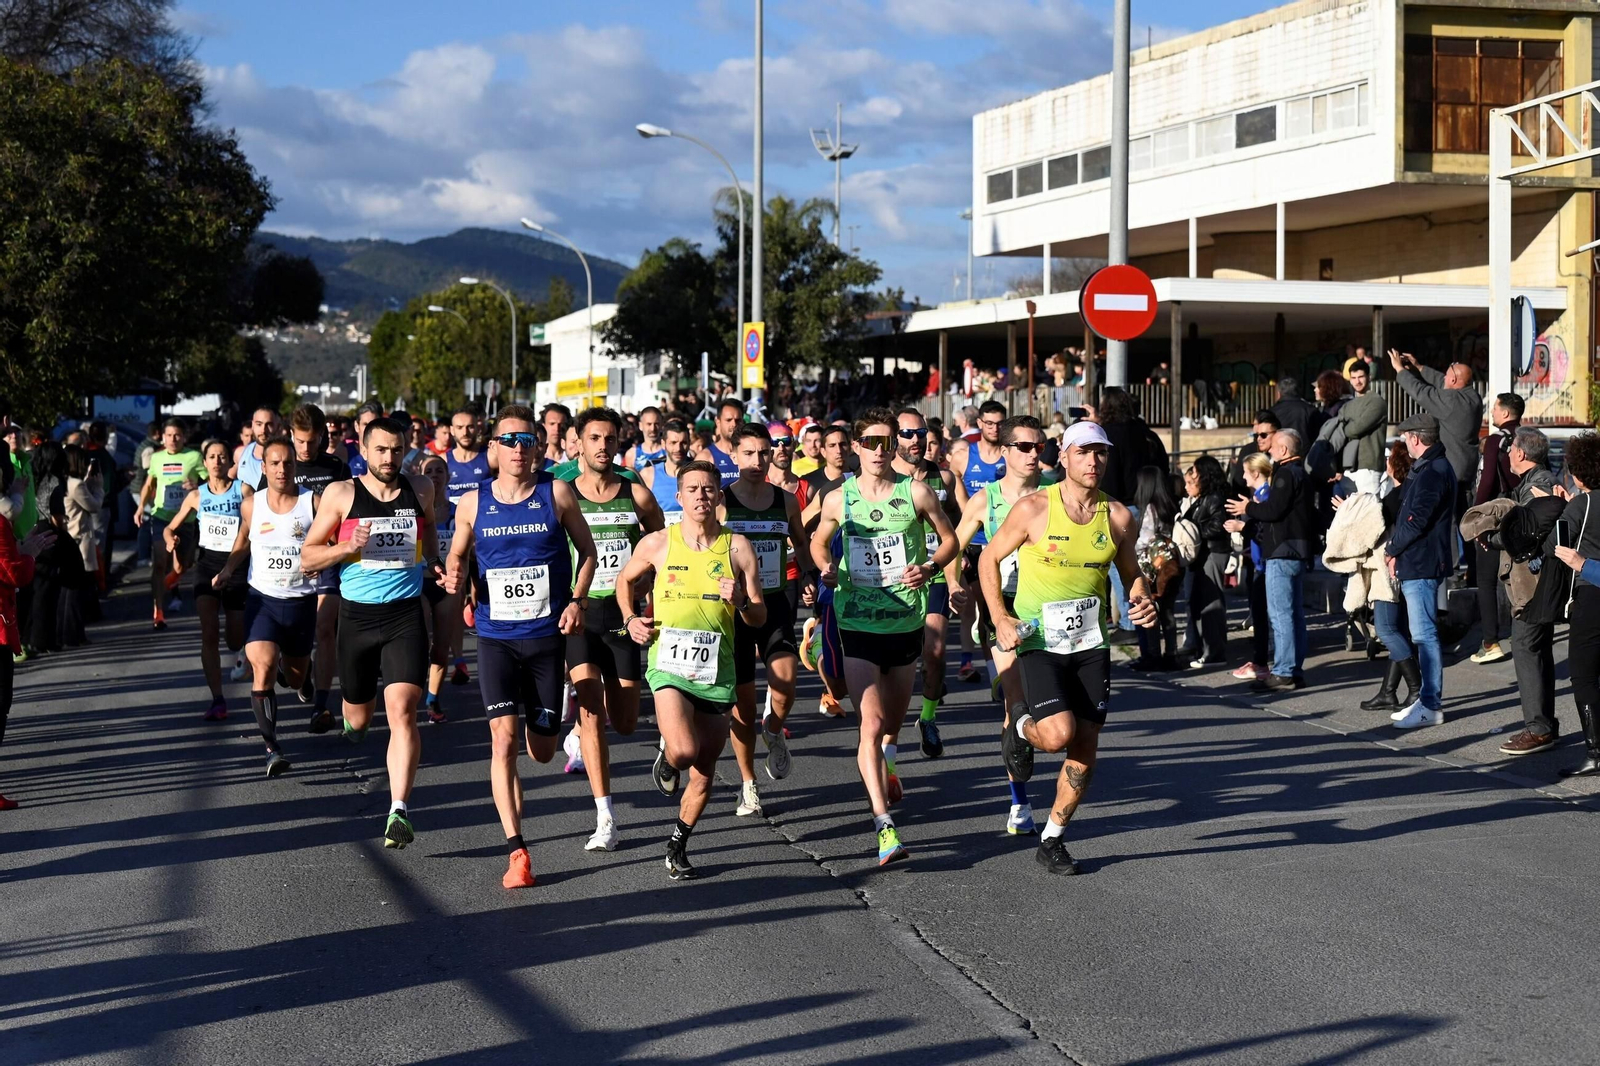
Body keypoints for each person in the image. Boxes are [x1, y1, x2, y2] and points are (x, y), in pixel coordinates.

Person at [983, 420, 1157, 875]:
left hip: (1091, 644)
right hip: (1040, 641)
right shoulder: (1034, 508)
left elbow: (1131, 572)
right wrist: (1000, 617)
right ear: (1063, 457)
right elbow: (988, 558)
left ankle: (1053, 838)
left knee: (1085, 744)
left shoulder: (1117, 516)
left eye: (1100, 452)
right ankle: (1021, 726)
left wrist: (1142, 596)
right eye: (1083, 452)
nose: (1093, 461)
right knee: (1058, 735)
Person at [444, 405, 598, 887]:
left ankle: (550, 727)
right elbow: (457, 552)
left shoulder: (557, 493)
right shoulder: (473, 502)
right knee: (502, 740)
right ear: (493, 448)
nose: (517, 448)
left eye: (526, 440)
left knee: (542, 751)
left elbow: (588, 552)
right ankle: (517, 850)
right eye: (508, 440)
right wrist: (454, 573)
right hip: (496, 638)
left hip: (546, 637)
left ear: (537, 447)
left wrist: (577, 601)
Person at [811, 407, 959, 866]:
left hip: (904, 621)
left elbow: (950, 539)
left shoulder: (916, 492)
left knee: (891, 725)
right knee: (871, 725)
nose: (879, 451)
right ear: (856, 447)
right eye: (871, 443)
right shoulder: (839, 498)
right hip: (856, 621)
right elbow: (817, 540)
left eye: (887, 442)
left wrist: (930, 568)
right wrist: (825, 565)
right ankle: (884, 825)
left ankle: (889, 763)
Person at [617, 460, 765, 880]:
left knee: (703, 772)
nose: (701, 495)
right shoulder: (658, 543)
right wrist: (630, 619)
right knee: (684, 751)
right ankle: (668, 754)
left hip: (716, 670)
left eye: (708, 488)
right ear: (679, 497)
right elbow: (624, 581)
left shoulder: (738, 547)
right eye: (693, 489)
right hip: (668, 665)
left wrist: (741, 601)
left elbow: (758, 615)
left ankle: (677, 844)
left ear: (719, 496)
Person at [302, 417, 441, 848]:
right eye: (380, 450)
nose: (389, 458)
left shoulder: (421, 488)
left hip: (404, 616)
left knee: (403, 710)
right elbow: (308, 557)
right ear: (363, 450)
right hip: (357, 619)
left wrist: (436, 563)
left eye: (396, 450)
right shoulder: (341, 494)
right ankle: (354, 724)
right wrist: (347, 547)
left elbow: (429, 530)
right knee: (359, 718)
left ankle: (398, 810)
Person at [562, 407, 666, 848]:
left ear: (618, 442)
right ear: (579, 443)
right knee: (590, 712)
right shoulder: (564, 494)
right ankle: (605, 817)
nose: (603, 446)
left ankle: (584, 734)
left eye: (609, 439)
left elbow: (661, 543)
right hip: (582, 616)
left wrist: (646, 581)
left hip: (622, 616)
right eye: (594, 438)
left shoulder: (635, 494)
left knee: (624, 722)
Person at [951, 414, 1048, 834]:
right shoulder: (985, 499)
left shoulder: (1054, 494)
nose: (1033, 454)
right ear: (1005, 451)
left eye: (1039, 447)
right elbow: (954, 545)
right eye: (1024, 447)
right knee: (1016, 704)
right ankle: (1019, 802)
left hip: (1046, 607)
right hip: (1002, 606)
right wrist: (953, 582)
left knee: (1051, 707)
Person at [721, 423, 816, 816]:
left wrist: (808, 575)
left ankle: (773, 730)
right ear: (733, 455)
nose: (757, 461)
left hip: (774, 602)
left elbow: (801, 543)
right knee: (743, 706)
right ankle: (748, 784)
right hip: (734, 610)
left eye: (763, 452)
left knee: (786, 685)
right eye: (748, 453)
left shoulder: (786, 500)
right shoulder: (722, 502)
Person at [232, 436, 319, 777]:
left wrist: (322, 561)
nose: (282, 469)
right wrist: (227, 569)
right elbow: (244, 539)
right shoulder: (251, 505)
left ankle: (301, 670)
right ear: (264, 468)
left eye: (288, 463)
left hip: (301, 602)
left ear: (296, 466)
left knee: (294, 680)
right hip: (262, 599)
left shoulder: (312, 503)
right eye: (275, 463)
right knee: (263, 666)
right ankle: (272, 748)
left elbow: (331, 540)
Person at [274, 404, 353, 730]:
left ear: (322, 436)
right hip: (290, 558)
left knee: (324, 628)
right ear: (291, 435)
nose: (306, 448)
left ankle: (320, 705)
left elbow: (350, 511)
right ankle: (300, 669)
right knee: (294, 630)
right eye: (300, 441)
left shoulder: (336, 467)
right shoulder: (282, 465)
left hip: (328, 557)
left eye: (312, 441)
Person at [163, 440, 250, 721]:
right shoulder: (196, 496)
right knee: (209, 632)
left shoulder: (243, 491)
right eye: (211, 457)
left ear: (230, 462)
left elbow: (255, 528)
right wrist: (170, 540)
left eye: (222, 456)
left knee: (234, 639)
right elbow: (170, 527)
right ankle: (218, 699)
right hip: (207, 566)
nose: (217, 461)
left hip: (237, 567)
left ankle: (243, 653)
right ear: (205, 462)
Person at [892, 408, 960, 760]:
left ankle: (928, 719)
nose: (916, 440)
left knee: (934, 651)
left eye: (920, 433)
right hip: (891, 581)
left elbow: (957, 533)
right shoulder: (880, 478)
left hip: (932, 573)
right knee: (893, 663)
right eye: (907, 434)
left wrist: (955, 577)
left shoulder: (944, 479)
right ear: (894, 438)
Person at [1226, 427, 1316, 691]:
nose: (1269, 449)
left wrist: (1248, 508)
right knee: (1294, 615)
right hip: (1298, 551)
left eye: (1274, 445)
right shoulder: (1303, 474)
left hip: (1281, 552)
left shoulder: (1285, 474)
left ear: (1284, 450)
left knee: (1281, 615)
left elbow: (1274, 510)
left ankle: (1284, 671)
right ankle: (1293, 670)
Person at [1382, 412, 1457, 730]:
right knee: (1422, 633)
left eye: (1405, 438)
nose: (1404, 443)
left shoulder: (1433, 470)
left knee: (1424, 635)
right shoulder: (1429, 467)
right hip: (1419, 559)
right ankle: (1426, 699)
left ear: (1415, 438)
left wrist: (1391, 549)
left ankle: (1430, 704)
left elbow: (1415, 521)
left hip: (1422, 561)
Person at [1495, 427, 1562, 754]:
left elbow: (1528, 529)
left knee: (1526, 647)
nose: (1508, 454)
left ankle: (1538, 729)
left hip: (1534, 584)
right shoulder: (1533, 481)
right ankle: (1544, 725)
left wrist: (1494, 537)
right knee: (1536, 649)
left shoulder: (1540, 484)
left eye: (1511, 449)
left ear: (1521, 453)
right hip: (1533, 583)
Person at [1357, 442, 1422, 714]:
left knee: (1386, 630)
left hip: (1387, 572)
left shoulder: (1396, 496)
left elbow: (1372, 528)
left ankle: (1417, 688)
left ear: (1394, 465)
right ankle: (1388, 692)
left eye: (1389, 459)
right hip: (1402, 568)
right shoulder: (1407, 492)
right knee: (1398, 631)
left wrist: (1350, 512)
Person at [1549, 432, 1600, 777]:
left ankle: (1595, 752)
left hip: (1590, 594)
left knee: (1583, 675)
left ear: (1578, 474)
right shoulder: (1582, 503)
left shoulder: (1581, 506)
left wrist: (1560, 507)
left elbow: (1556, 545)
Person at [949, 401, 1007, 681]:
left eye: (1000, 423)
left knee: (994, 610)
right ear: (980, 423)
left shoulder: (1010, 455)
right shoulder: (964, 456)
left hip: (1004, 543)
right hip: (973, 543)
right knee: (978, 609)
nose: (995, 428)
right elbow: (951, 487)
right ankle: (975, 665)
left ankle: (1001, 670)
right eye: (989, 423)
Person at [1389, 350, 1484, 513]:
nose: (1443, 377)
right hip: (1465, 471)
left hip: (1452, 474)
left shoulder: (1452, 402)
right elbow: (1442, 383)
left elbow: (1421, 392)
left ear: (1453, 380)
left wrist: (1400, 370)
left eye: (1447, 375)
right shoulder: (1472, 397)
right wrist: (1419, 368)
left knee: (1449, 521)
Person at [1469, 393, 1524, 666]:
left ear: (1505, 412)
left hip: (1497, 516)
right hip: (1526, 515)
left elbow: (1487, 480)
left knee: (1487, 581)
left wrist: (1476, 516)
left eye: (1494, 407)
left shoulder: (1495, 440)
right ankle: (1524, 633)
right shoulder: (1529, 436)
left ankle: (1490, 642)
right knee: (1521, 576)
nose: (1491, 411)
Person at [136, 419, 203, 630]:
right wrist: (140, 507)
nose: (173, 439)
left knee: (183, 566)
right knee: (159, 563)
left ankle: (166, 583)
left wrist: (197, 485)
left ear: (184, 437)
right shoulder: (157, 458)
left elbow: (210, 481)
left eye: (177, 435)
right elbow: (149, 483)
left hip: (185, 518)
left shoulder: (194, 457)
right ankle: (158, 612)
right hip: (162, 516)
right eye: (169, 435)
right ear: (163, 437)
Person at [444, 406, 493, 686]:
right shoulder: (444, 461)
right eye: (460, 427)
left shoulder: (489, 459)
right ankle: (459, 660)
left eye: (470, 426)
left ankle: (485, 641)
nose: (465, 432)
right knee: (453, 602)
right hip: (452, 543)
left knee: (478, 597)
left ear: (479, 427)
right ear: (451, 430)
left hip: (483, 542)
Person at [417, 455, 461, 723]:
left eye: (439, 471)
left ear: (447, 476)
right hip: (420, 582)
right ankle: (411, 694)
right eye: (428, 471)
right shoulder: (415, 510)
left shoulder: (458, 512)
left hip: (449, 585)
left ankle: (432, 699)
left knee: (441, 648)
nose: (434, 475)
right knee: (420, 644)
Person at [1225, 453, 1275, 682]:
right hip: (1258, 562)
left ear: (1255, 473)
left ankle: (1262, 662)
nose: (1243, 477)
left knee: (1263, 615)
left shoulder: (1265, 496)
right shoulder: (1258, 496)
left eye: (1245, 472)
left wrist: (1241, 527)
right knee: (1258, 613)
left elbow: (1266, 532)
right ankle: (1259, 659)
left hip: (1265, 565)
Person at [1177, 456, 1231, 667]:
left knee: (1212, 602)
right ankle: (1205, 650)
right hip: (1204, 554)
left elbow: (1218, 525)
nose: (1194, 477)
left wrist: (1194, 533)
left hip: (1213, 552)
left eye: (1196, 473)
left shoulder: (1215, 497)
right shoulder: (1204, 498)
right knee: (1202, 603)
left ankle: (1214, 653)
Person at [1130, 466, 1182, 671]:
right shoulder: (1169, 506)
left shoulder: (1150, 510)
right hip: (1169, 565)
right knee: (1167, 611)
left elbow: (1145, 540)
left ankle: (1152, 656)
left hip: (1151, 569)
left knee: (1148, 609)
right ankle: (1171, 654)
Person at [1316, 362, 1387, 475]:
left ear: (1369, 377)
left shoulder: (1376, 402)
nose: (1357, 381)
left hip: (1369, 466)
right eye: (1353, 378)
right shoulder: (1347, 405)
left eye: (1361, 377)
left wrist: (1345, 426)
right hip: (1347, 466)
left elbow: (1356, 429)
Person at [641, 418, 691, 525]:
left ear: (689, 444)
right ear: (663, 444)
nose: (678, 448)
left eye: (683, 443)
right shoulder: (648, 474)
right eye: (673, 443)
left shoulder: (698, 474)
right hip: (661, 534)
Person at [1270, 376, 1326, 448]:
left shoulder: (1272, 411)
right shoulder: (1310, 410)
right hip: (1306, 451)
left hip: (1280, 449)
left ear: (1279, 393)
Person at [231, 407, 279, 489]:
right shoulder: (240, 453)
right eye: (259, 424)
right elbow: (228, 479)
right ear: (253, 425)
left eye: (269, 425)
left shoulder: (286, 454)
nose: (263, 430)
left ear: (277, 426)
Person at [706, 397, 744, 487]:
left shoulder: (752, 453)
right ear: (718, 422)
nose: (734, 424)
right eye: (728, 420)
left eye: (738, 420)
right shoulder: (706, 457)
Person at [345, 402, 385, 477]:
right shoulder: (344, 452)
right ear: (356, 426)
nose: (369, 429)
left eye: (373, 424)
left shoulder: (387, 454)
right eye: (365, 424)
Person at [625, 406, 666, 471]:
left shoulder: (669, 451)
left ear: (661, 425)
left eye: (656, 424)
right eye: (649, 424)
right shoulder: (632, 454)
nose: (653, 429)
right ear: (641, 425)